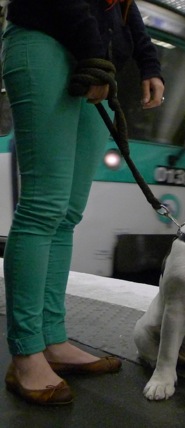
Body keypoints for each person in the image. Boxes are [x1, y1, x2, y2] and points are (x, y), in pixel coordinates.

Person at [1, 0, 164, 405]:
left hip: (94, 56)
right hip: (47, 40)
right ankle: (25, 352)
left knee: (68, 213)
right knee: (43, 206)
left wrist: (149, 63)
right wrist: (94, 53)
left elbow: (125, 7)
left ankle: (53, 339)